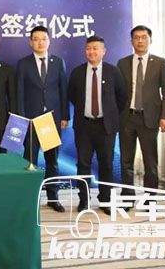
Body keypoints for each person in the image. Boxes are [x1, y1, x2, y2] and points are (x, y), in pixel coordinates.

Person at [68, 36, 126, 215]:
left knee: (106, 164)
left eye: (95, 48)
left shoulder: (113, 71)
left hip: (106, 126)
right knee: (83, 164)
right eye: (88, 48)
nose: (91, 52)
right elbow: (72, 96)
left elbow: (122, 97)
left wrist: (109, 115)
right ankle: (84, 200)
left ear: (103, 51)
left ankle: (105, 200)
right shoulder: (77, 72)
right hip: (84, 126)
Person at [16, 25, 69, 212]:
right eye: (36, 39)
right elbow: (19, 92)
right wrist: (22, 118)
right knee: (30, 161)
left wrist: (65, 116)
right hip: (31, 120)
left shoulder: (58, 62)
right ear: (30, 42)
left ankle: (53, 198)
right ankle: (28, 198)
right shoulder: (23, 63)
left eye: (43, 39)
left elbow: (63, 90)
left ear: (49, 41)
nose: (40, 42)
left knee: (52, 161)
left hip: (51, 120)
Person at [118, 25, 165, 194]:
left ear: (150, 40)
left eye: (144, 37)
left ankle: (150, 197)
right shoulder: (123, 63)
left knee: (150, 161)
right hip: (127, 118)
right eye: (136, 37)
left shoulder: (160, 63)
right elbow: (117, 91)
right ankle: (128, 196)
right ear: (131, 41)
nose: (140, 41)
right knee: (126, 161)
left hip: (149, 118)